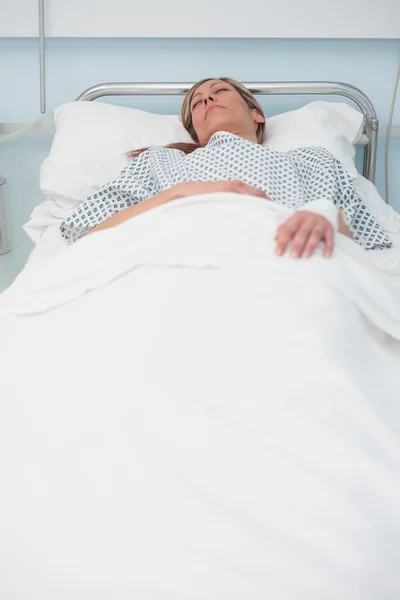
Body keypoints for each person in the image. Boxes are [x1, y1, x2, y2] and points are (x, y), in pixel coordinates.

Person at [60, 78, 391, 257]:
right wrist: (179, 193)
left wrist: (324, 216)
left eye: (219, 92)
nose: (206, 99)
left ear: (257, 114)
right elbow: (90, 234)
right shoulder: (161, 161)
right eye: (197, 102)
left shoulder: (313, 160)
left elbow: (362, 244)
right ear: (194, 130)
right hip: (175, 256)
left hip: (285, 255)